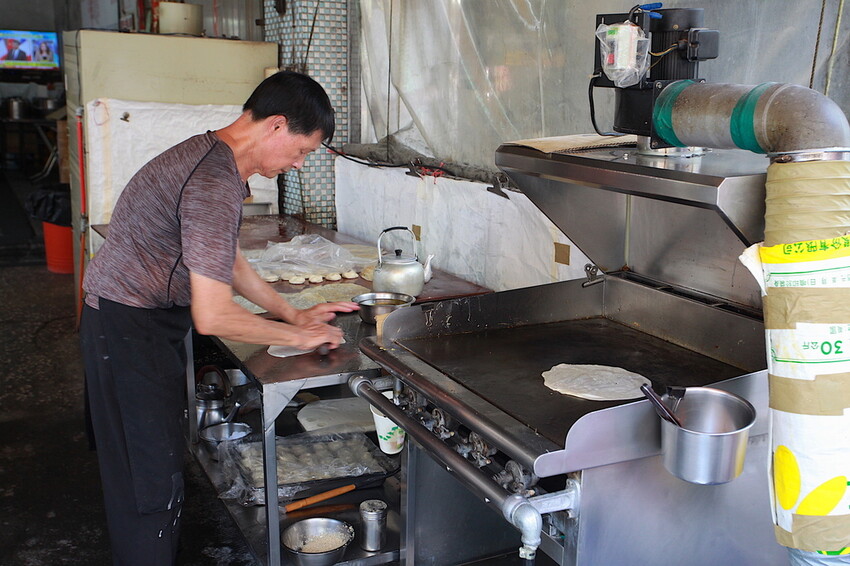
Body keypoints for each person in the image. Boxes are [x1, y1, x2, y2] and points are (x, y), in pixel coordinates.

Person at [79, 70, 358, 566]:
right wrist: (298, 333)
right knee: (147, 484)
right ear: (275, 125)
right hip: (126, 329)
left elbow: (225, 260)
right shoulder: (212, 180)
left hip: (132, 321)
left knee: (147, 470)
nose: (296, 165)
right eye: (301, 151)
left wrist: (292, 310)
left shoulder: (213, 161)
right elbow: (212, 315)